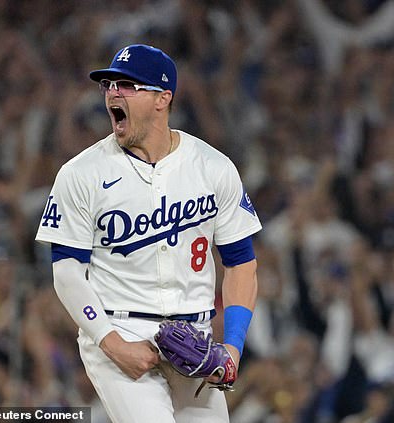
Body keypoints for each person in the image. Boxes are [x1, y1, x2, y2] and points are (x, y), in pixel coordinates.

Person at [35, 44, 262, 423]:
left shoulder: (212, 167)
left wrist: (233, 348)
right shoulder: (81, 173)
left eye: (126, 85)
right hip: (118, 326)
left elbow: (241, 263)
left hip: (195, 335)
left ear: (163, 98)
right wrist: (110, 341)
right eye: (109, 85)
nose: (112, 93)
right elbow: (67, 270)